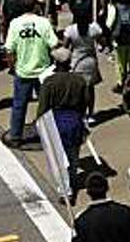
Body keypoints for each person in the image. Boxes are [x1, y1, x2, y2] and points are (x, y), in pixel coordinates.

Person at [1, 0, 58, 146]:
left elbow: (9, 49)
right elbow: (54, 44)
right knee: (46, 105)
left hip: (23, 70)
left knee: (19, 105)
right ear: (35, 6)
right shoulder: (44, 22)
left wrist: (12, 67)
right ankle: (51, 134)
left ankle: (15, 136)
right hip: (43, 71)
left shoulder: (15, 24)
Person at [36, 47, 91, 195]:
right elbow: (85, 102)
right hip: (74, 120)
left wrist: (40, 126)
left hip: (56, 122)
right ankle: (72, 181)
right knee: (73, 155)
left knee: (59, 158)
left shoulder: (49, 82)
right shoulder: (79, 80)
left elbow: (43, 107)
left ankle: (65, 189)